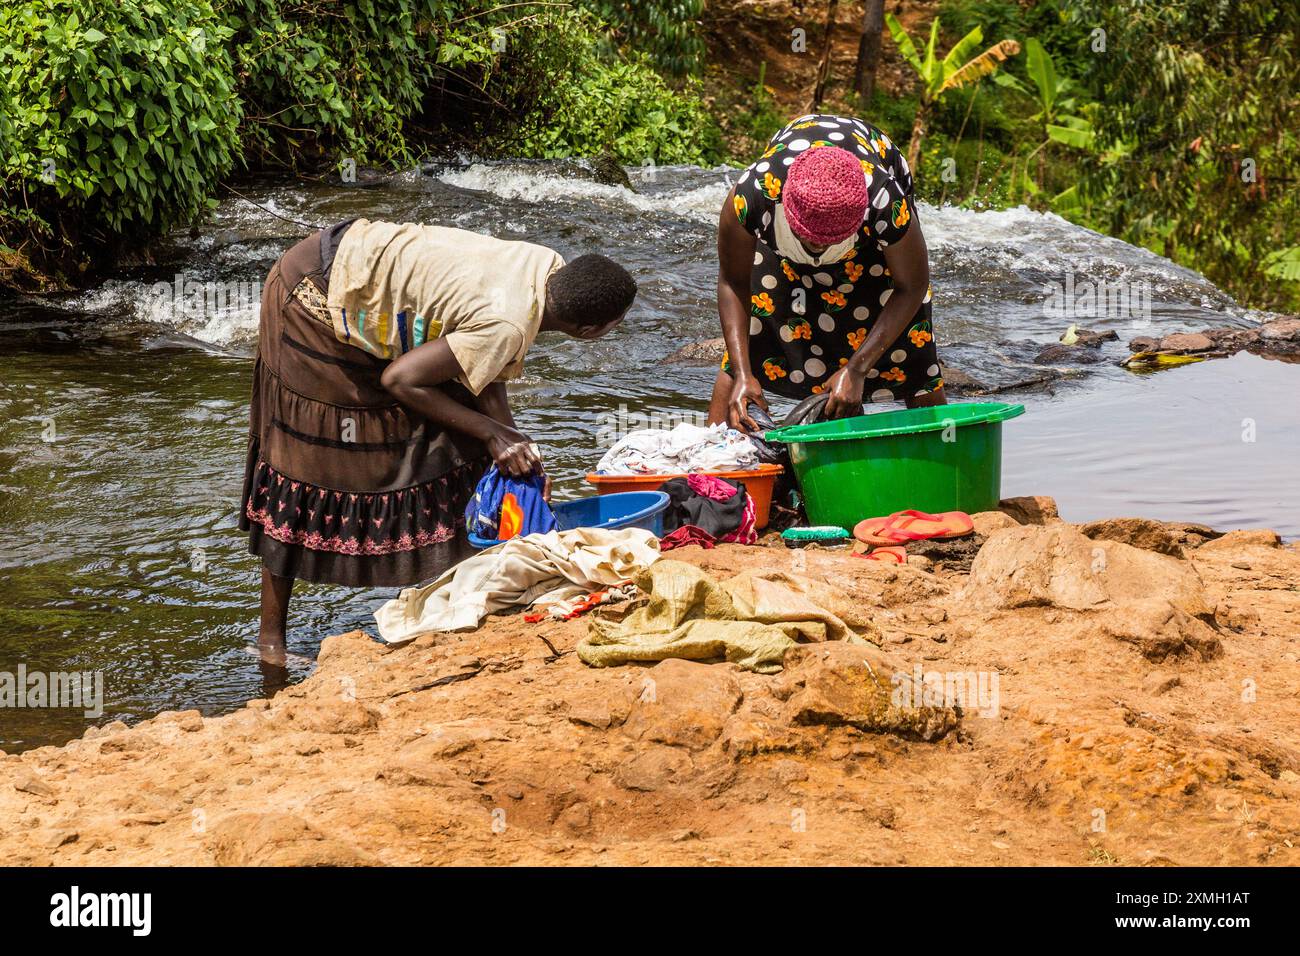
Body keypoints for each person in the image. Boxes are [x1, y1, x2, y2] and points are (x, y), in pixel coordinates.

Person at [239, 218, 636, 664]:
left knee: (468, 448)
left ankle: (457, 598)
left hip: (350, 267)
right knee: (314, 467)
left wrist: (514, 445)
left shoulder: (546, 268)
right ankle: (270, 643)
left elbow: (485, 361)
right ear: (589, 331)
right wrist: (492, 432)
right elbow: (402, 379)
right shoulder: (508, 322)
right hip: (313, 300)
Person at [709, 114, 946, 432]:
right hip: (783, 226)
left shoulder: (884, 201)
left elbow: (912, 286)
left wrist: (858, 369)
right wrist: (741, 372)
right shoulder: (754, 195)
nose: (817, 252)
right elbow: (733, 282)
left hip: (869, 249)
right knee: (757, 327)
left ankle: (939, 448)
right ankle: (710, 464)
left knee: (910, 349)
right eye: (809, 240)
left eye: (828, 242)